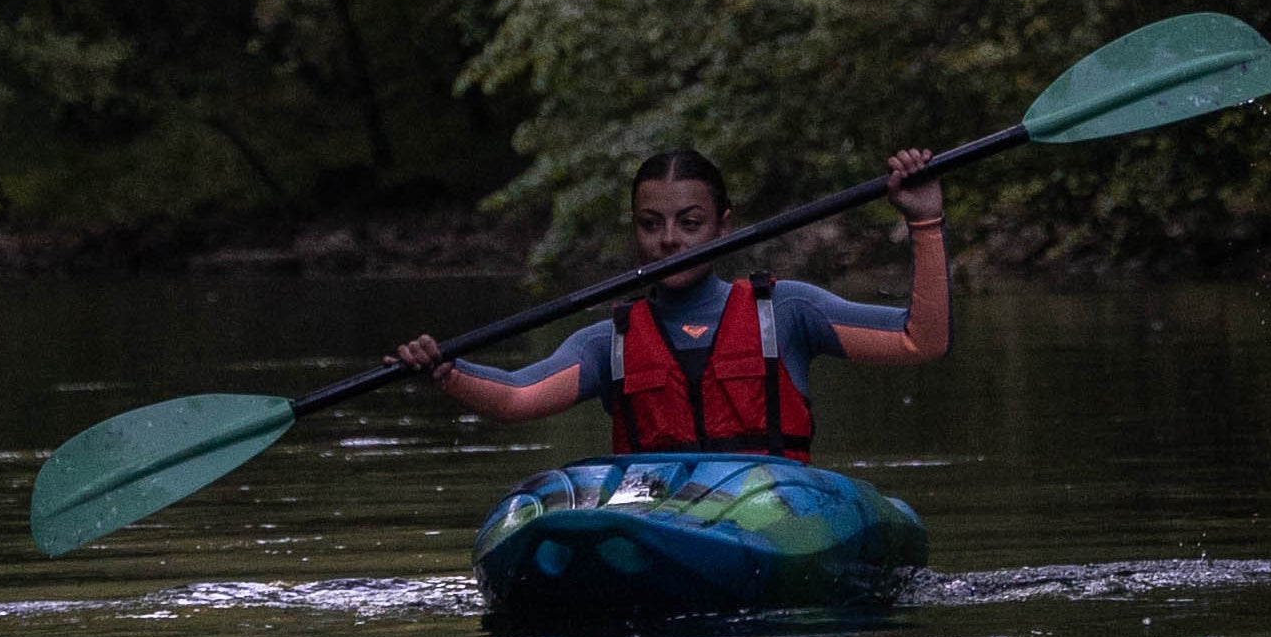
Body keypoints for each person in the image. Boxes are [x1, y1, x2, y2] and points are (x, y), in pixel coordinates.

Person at [390, 146, 947, 460]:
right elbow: (518, 397)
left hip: (772, 518)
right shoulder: (608, 342)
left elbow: (919, 339)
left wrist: (924, 220)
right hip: (661, 524)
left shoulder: (788, 313)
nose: (669, 240)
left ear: (724, 226)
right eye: (651, 224)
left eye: (691, 223)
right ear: (634, 231)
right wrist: (447, 371)